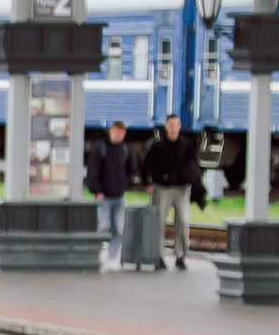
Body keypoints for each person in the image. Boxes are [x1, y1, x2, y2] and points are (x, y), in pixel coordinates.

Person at [139, 114, 200, 270]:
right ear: (166, 127)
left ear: (179, 126)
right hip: (163, 188)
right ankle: (158, 256)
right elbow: (146, 165)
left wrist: (195, 184)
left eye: (176, 125)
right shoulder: (157, 146)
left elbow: (193, 166)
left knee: (183, 222)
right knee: (159, 224)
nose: (173, 128)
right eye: (171, 125)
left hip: (181, 189)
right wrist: (147, 183)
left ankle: (180, 255)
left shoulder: (187, 145)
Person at [86, 120, 136, 262]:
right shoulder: (101, 148)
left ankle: (112, 259)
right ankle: (97, 256)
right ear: (110, 131)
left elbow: (131, 169)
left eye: (121, 133)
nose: (118, 135)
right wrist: (96, 190)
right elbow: (93, 171)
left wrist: (125, 184)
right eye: (116, 132)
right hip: (104, 196)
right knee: (103, 227)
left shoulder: (124, 150)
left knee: (118, 229)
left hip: (118, 196)